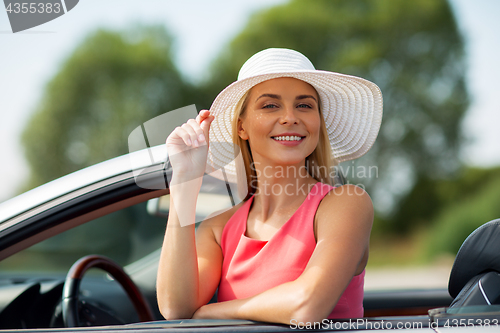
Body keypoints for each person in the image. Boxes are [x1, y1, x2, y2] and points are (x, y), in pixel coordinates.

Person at [156, 48, 383, 324]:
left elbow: (306, 305)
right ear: (242, 127)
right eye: (270, 105)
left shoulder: (345, 203)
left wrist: (209, 312)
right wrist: (183, 181)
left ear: (317, 121)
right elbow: (176, 308)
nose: (290, 117)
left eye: (304, 105)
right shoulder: (219, 227)